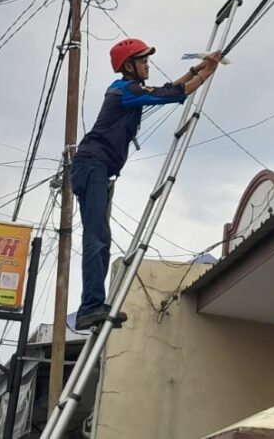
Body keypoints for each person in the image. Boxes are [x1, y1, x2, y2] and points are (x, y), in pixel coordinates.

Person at [70, 38, 222, 330]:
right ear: (129, 66)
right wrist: (208, 72)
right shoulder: (122, 91)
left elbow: (167, 89)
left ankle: (94, 304)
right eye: (143, 61)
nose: (147, 65)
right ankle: (90, 307)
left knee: (101, 239)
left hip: (98, 169)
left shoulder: (129, 89)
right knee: (97, 239)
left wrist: (197, 69)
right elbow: (173, 95)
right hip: (93, 167)